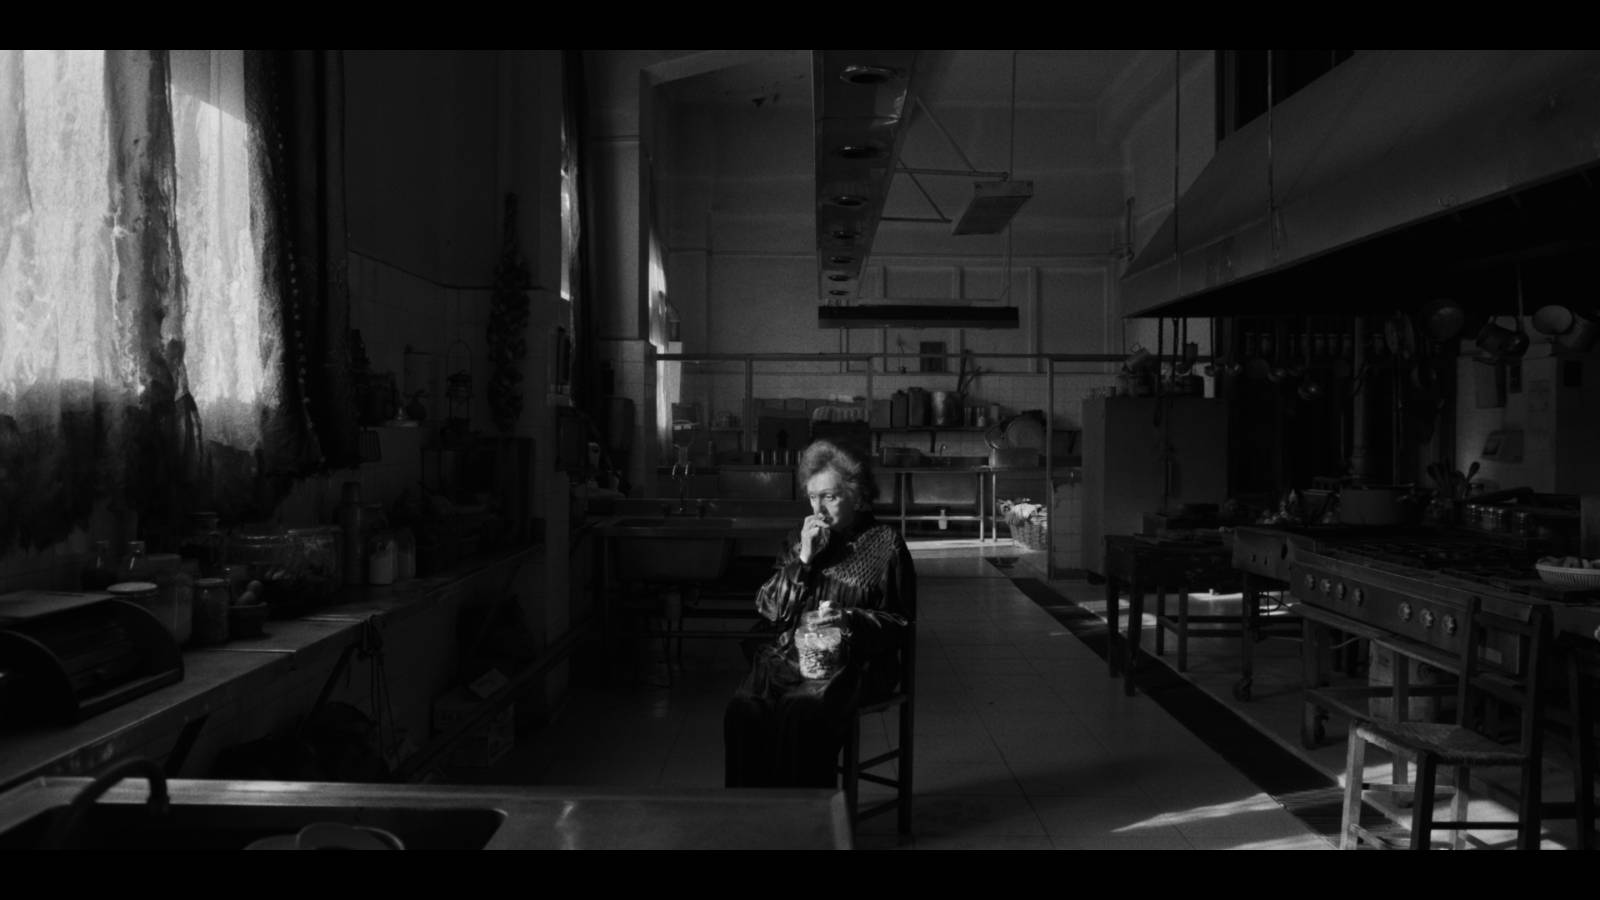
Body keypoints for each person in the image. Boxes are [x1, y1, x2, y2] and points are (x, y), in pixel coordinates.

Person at [724, 438, 915, 788]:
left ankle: (807, 815)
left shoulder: (885, 544)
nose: (819, 509)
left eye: (829, 496)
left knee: (803, 710)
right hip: (793, 659)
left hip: (856, 665)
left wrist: (849, 620)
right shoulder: (801, 540)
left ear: (857, 495)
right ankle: (751, 812)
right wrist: (804, 559)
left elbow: (901, 623)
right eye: (813, 497)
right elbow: (770, 610)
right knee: (744, 708)